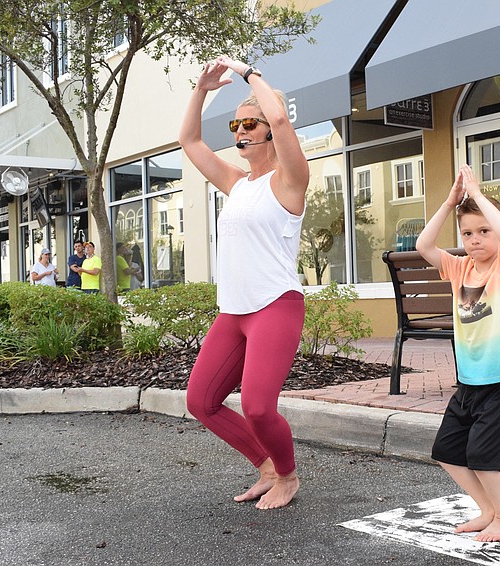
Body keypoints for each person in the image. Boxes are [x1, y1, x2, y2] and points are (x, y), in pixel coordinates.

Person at [179, 54, 309, 510]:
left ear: (270, 130)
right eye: (236, 127)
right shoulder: (238, 184)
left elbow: (278, 113)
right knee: (202, 400)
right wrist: (201, 89)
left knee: (256, 406)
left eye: (250, 124)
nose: (241, 133)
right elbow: (190, 141)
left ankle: (288, 477)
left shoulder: (291, 180)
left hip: (276, 304)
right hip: (234, 310)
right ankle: (267, 466)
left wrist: (245, 69)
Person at [415, 164, 500, 542]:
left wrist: (477, 194)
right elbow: (423, 246)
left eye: (484, 231)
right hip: (469, 380)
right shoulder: (459, 267)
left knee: (483, 454)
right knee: (447, 449)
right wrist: (450, 203)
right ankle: (489, 511)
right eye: (468, 233)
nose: (476, 239)